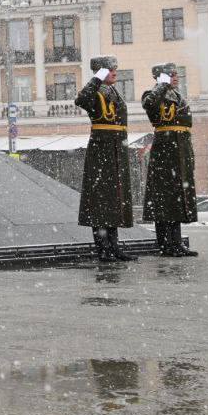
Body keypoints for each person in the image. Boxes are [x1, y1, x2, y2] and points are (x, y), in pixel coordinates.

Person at [75, 55, 136, 262]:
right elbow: (81, 100)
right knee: (101, 201)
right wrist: (96, 78)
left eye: (114, 69)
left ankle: (114, 247)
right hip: (101, 150)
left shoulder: (113, 91)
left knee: (113, 201)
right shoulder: (95, 91)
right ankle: (103, 249)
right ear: (100, 72)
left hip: (116, 149)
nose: (115, 72)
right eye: (110, 69)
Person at [142, 64, 198, 257]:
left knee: (177, 200)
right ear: (161, 78)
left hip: (180, 152)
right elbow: (150, 104)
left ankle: (176, 242)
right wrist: (162, 85)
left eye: (176, 75)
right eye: (171, 75)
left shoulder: (179, 97)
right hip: (164, 153)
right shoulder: (152, 94)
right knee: (164, 201)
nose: (176, 77)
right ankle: (165, 245)